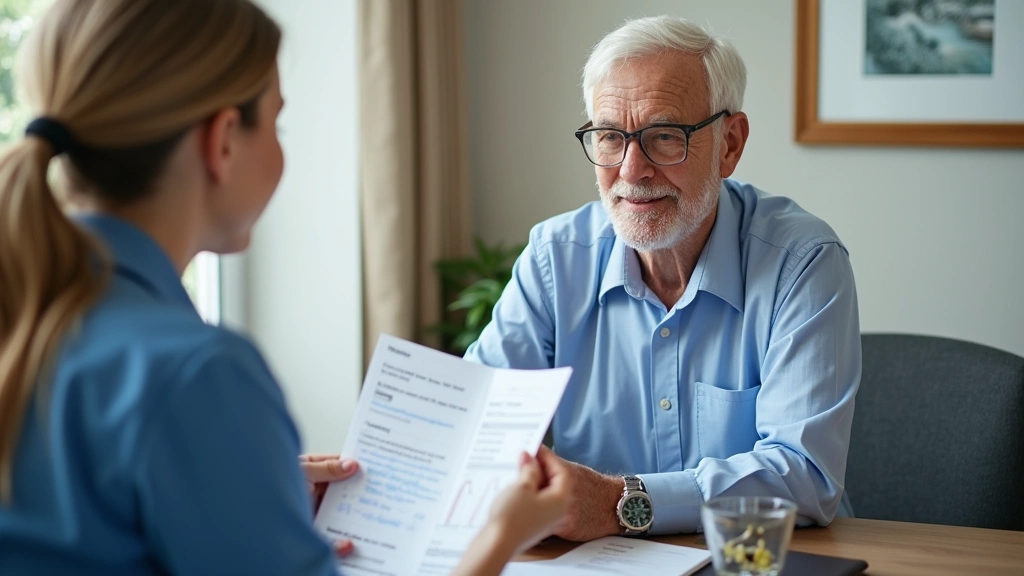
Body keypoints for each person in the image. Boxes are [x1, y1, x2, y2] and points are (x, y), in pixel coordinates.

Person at [0, 1, 569, 574]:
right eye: (277, 121)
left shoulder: (27, 319)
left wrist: (243, 488)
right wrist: (498, 538)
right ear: (223, 140)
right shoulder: (194, 371)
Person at [465, 15, 861, 540]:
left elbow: (804, 475)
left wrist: (616, 503)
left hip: (761, 562)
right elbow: (474, 428)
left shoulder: (802, 262)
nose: (631, 170)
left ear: (730, 144)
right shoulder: (554, 260)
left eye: (665, 136)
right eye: (609, 137)